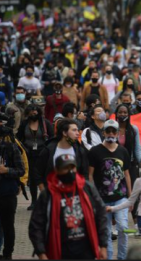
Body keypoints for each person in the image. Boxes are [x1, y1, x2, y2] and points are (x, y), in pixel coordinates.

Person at [28, 154, 107, 260]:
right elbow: (36, 226)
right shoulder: (48, 194)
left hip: (86, 251)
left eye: (72, 167)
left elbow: (100, 215)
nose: (70, 171)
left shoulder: (86, 188)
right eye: (65, 168)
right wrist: (41, 252)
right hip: (60, 252)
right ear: (56, 170)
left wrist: (103, 245)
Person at [88, 119, 132, 260]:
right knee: (105, 233)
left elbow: (127, 174)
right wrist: (93, 197)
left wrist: (130, 197)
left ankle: (122, 257)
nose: (111, 133)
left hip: (121, 199)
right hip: (102, 199)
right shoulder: (95, 151)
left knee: (123, 229)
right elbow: (90, 175)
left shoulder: (123, 151)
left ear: (118, 133)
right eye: (108, 131)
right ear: (104, 132)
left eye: (114, 131)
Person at [17, 104, 54, 210]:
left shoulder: (45, 123)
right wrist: (24, 149)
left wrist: (47, 149)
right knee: (32, 179)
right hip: (29, 154)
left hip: (43, 153)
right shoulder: (24, 124)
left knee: (45, 177)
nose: (34, 113)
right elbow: (19, 139)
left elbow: (51, 137)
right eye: (31, 112)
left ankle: (47, 200)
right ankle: (34, 201)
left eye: (36, 111)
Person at [35, 118, 89, 189]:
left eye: (77, 130)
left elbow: (84, 173)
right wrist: (44, 191)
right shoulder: (49, 150)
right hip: (53, 192)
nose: (77, 133)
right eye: (74, 130)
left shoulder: (80, 150)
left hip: (73, 193)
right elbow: (38, 172)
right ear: (64, 133)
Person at [0, 122, 25, 260]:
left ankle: (7, 253)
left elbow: (20, 170)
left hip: (7, 194)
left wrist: (7, 170)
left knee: (8, 225)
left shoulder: (11, 149)